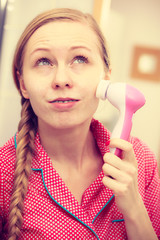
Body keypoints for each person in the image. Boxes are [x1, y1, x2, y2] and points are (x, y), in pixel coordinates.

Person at [0, 8, 159, 240]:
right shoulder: (3, 171)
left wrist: (134, 209)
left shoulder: (141, 160)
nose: (62, 80)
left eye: (80, 59)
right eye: (43, 61)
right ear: (23, 84)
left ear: (105, 78)